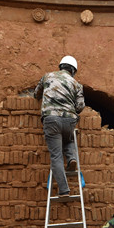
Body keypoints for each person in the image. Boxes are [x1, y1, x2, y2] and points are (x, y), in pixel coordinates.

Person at [34, 55, 85, 196]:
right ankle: (71, 158)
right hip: (69, 120)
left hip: (51, 120)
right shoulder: (76, 84)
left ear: (61, 66)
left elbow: (36, 93)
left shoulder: (47, 76)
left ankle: (64, 190)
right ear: (73, 70)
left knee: (56, 156)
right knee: (68, 139)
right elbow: (80, 106)